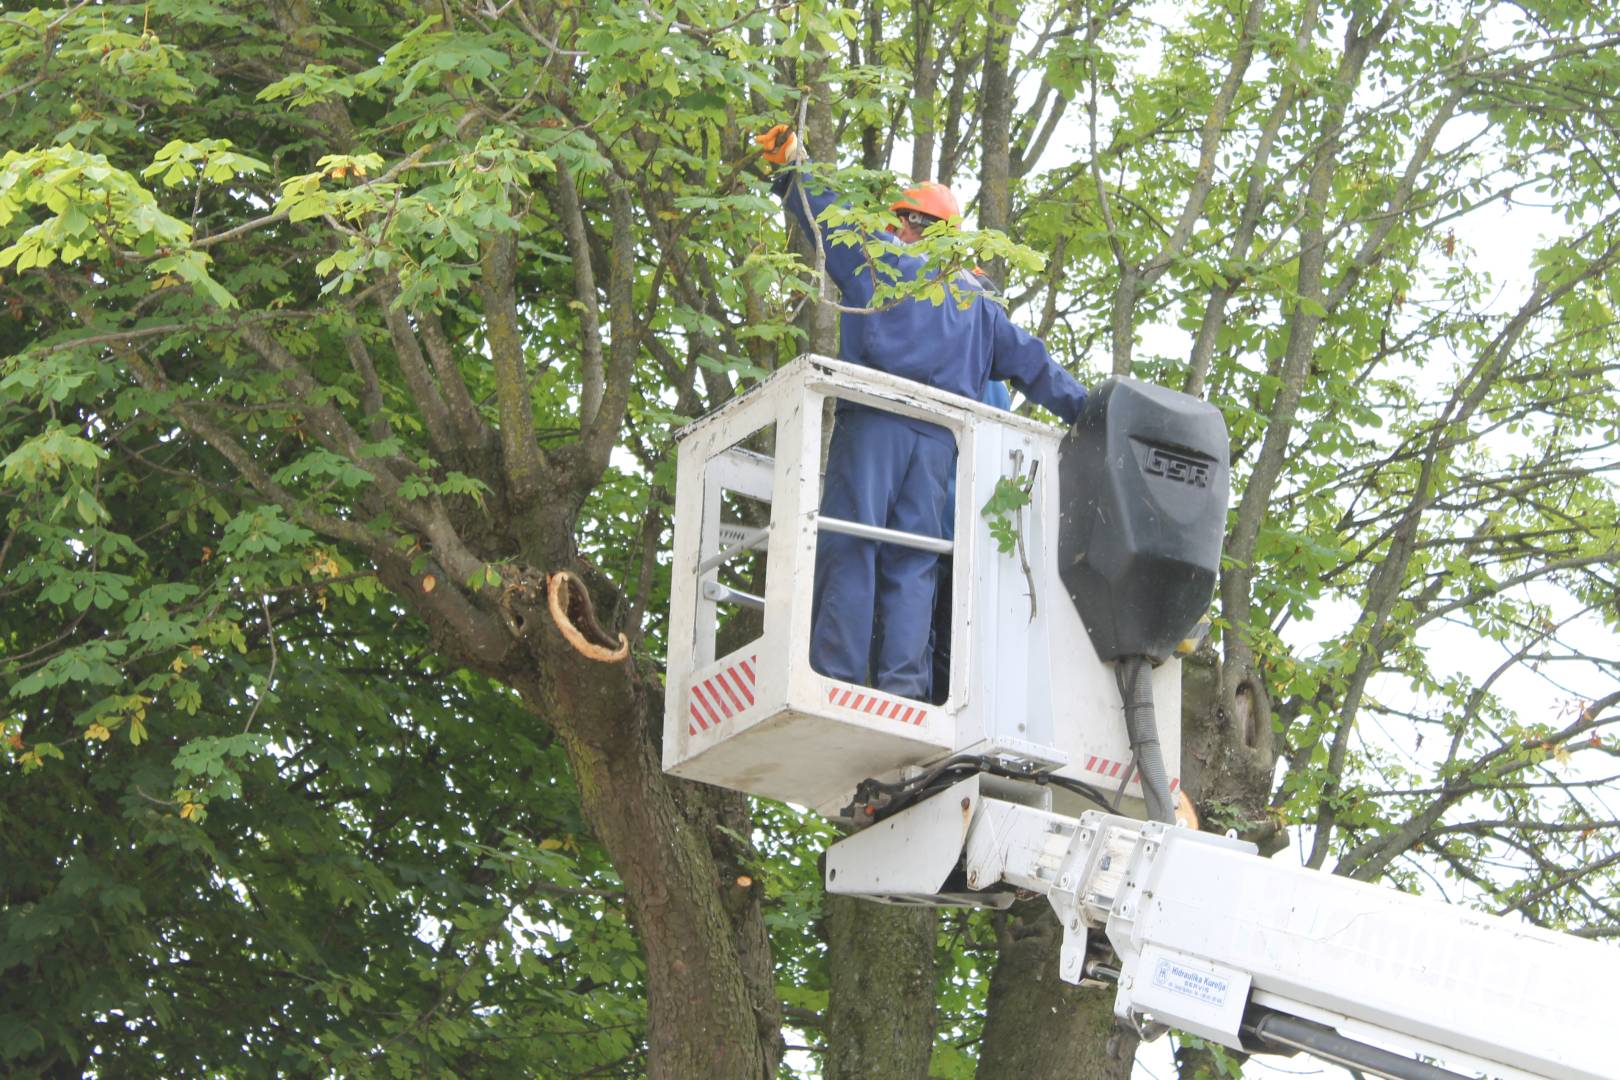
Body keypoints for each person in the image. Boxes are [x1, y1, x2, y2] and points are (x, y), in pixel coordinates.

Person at [755, 123, 1086, 700]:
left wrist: (792, 165)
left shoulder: (880, 263)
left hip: (874, 427)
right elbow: (1035, 366)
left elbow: (825, 220)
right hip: (937, 447)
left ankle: (834, 678)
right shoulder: (977, 304)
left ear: (908, 224)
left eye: (897, 221)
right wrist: (1089, 410)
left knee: (852, 542)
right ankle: (905, 689)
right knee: (915, 562)